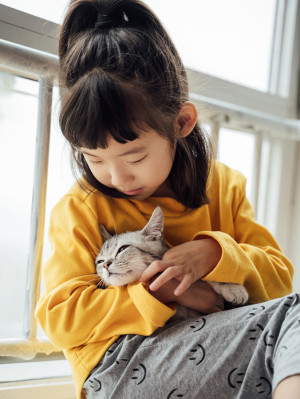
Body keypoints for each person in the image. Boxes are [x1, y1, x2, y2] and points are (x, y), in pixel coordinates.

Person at [35, 1, 300, 398]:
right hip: (119, 365)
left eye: (135, 156)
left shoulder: (223, 186)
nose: (116, 177)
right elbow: (59, 317)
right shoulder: (81, 207)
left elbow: (279, 279)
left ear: (182, 122)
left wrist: (213, 253)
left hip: (212, 346)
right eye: (93, 159)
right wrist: (156, 293)